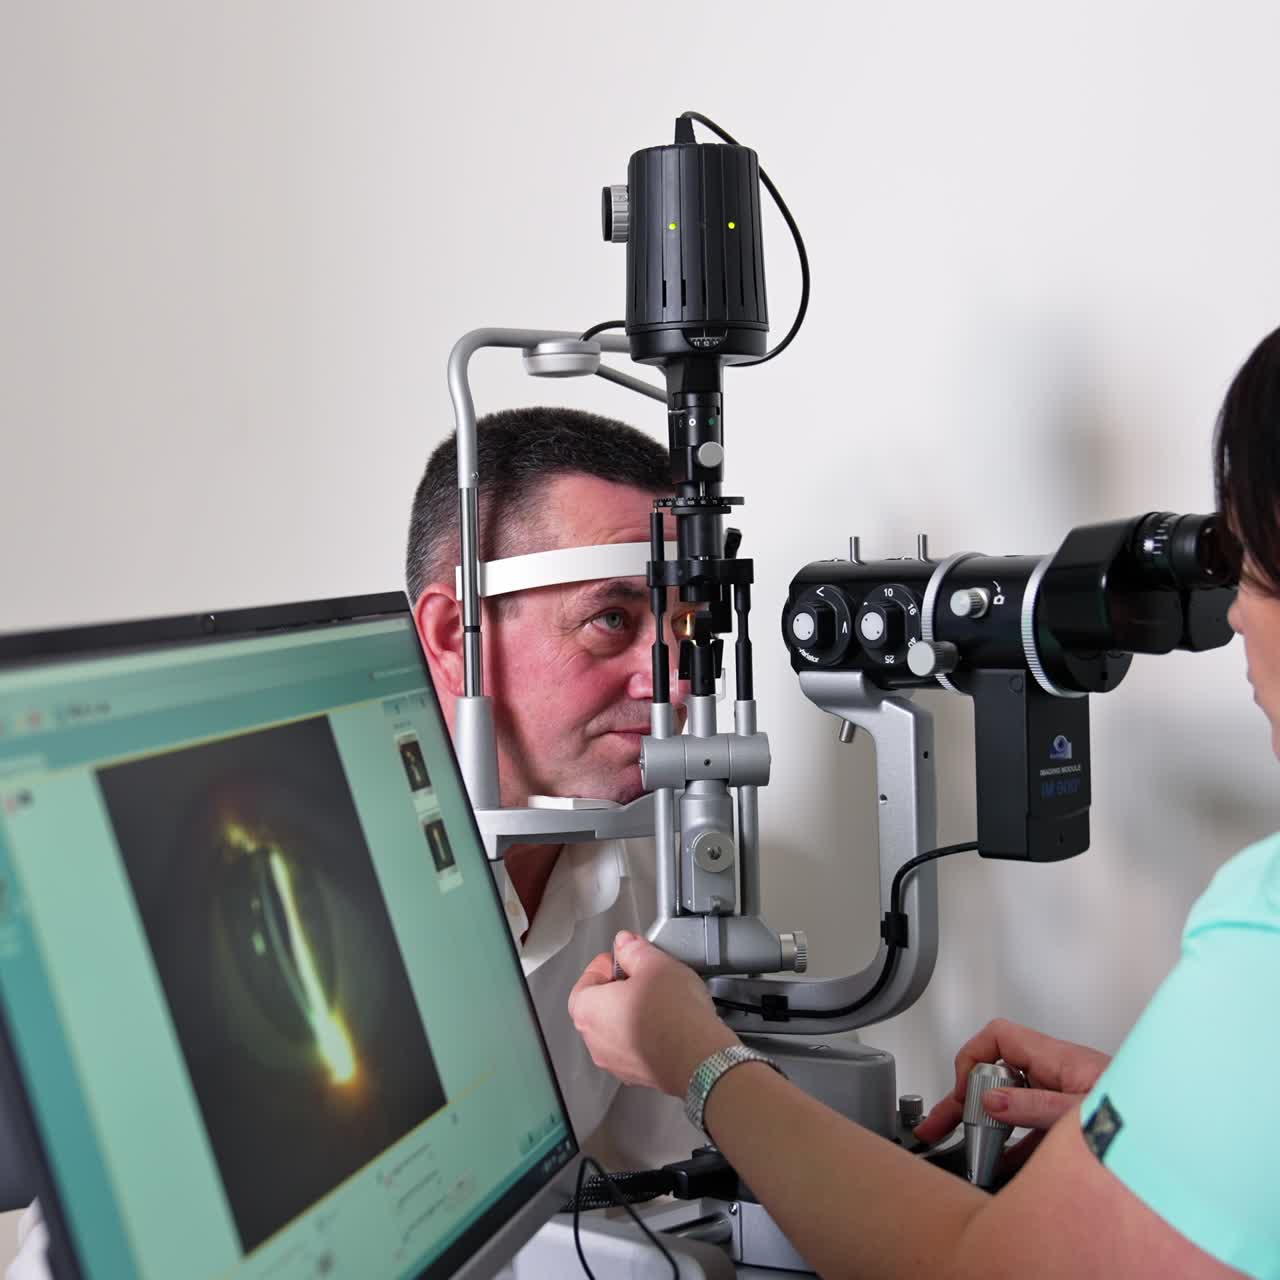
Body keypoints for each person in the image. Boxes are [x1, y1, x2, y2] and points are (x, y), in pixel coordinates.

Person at [570, 329, 1280, 1279]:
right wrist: (1162, 1127)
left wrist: (700, 1063)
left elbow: (980, 1270)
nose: (1232, 612)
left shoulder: (1267, 919)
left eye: (1252, 569)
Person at [408, 405, 702, 1169]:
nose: (673, 685)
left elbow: (663, 1185)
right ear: (454, 637)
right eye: (612, 618)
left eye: (684, 628)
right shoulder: (331, 888)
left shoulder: (660, 858)